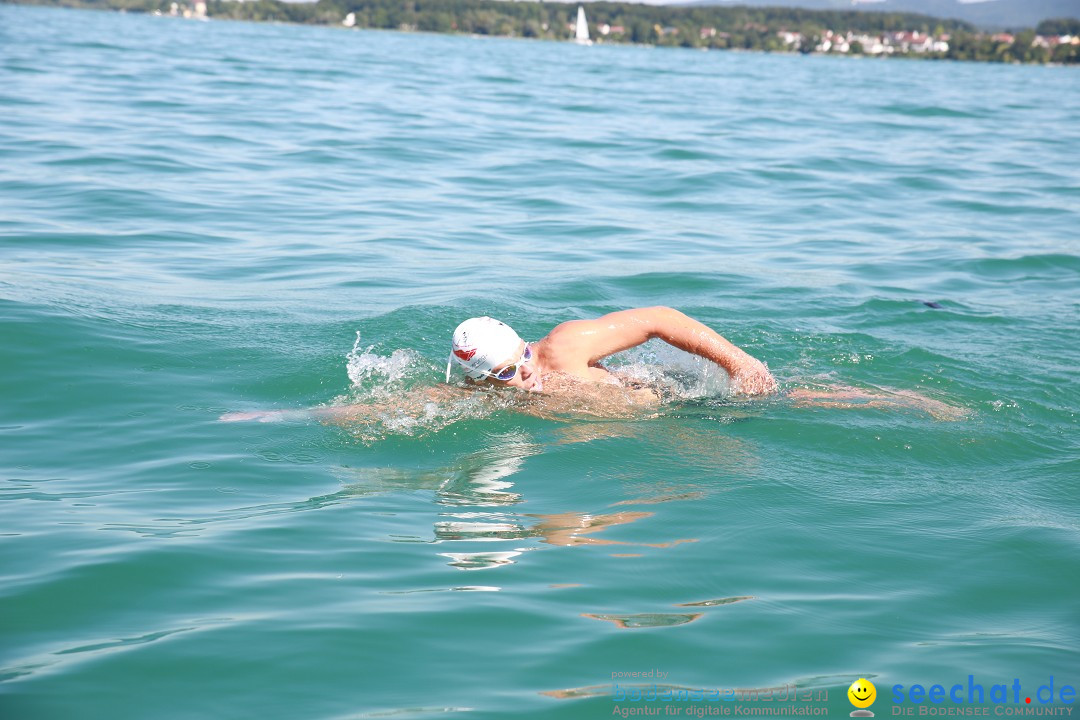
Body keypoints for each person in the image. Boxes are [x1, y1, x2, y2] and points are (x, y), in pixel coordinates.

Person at [445, 306, 777, 397]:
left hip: (684, 401)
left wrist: (741, 365)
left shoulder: (564, 346)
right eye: (507, 372)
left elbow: (659, 319)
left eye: (525, 355)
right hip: (658, 432)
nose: (528, 370)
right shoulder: (479, 397)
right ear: (479, 381)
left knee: (800, 399)